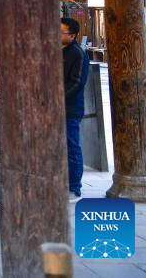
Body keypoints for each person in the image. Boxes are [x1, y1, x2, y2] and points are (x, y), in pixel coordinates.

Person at [61, 16, 90, 198]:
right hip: (53, 109)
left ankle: (74, 186)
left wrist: (57, 98)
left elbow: (77, 83)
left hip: (70, 109)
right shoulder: (57, 51)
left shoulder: (78, 54)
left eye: (61, 31)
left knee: (72, 147)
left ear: (72, 36)